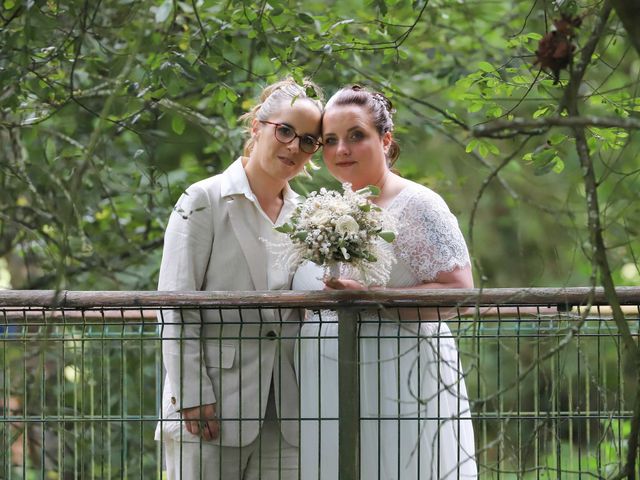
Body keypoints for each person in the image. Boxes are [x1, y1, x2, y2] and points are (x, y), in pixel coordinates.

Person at [293, 85, 477, 479]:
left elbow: (459, 291)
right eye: (330, 140)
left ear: (385, 139)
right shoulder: (326, 210)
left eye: (356, 135)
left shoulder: (418, 205)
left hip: (402, 381)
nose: (341, 149)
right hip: (329, 386)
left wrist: (375, 297)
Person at [155, 78, 323, 480]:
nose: (293, 147)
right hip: (211, 407)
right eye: (285, 131)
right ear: (257, 127)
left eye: (308, 141)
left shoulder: (308, 219)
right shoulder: (202, 200)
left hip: (287, 415)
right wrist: (192, 395)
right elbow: (173, 304)